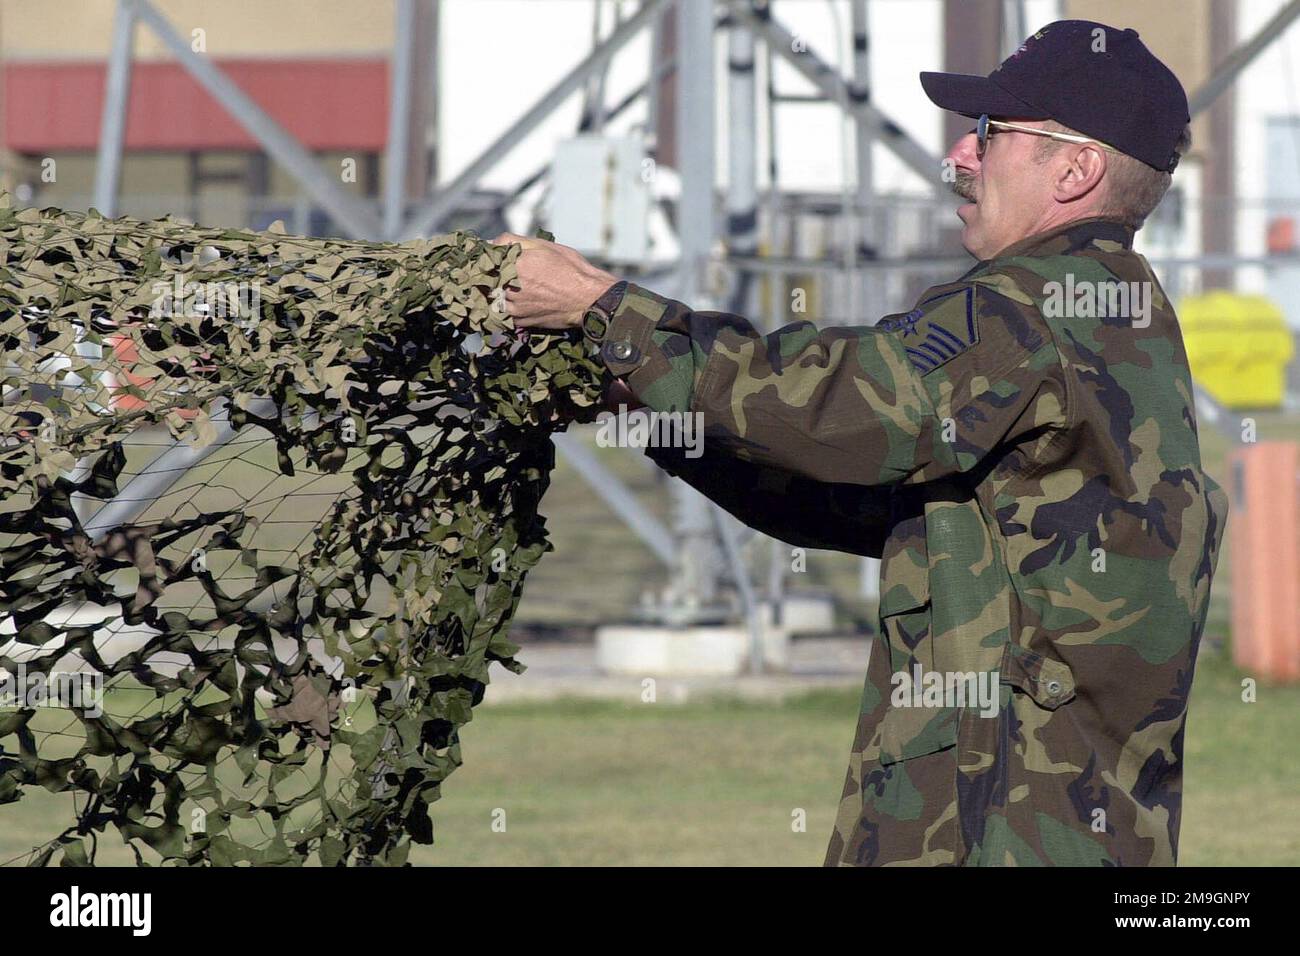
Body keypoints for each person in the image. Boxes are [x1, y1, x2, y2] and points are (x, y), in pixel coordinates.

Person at [497, 20, 1228, 867]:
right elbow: (854, 492)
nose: (963, 150)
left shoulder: (1027, 307)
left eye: (992, 132)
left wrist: (600, 305)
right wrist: (650, 408)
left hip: (998, 835)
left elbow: (837, 403)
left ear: (1076, 168)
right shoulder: (1116, 314)